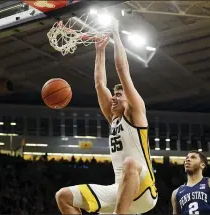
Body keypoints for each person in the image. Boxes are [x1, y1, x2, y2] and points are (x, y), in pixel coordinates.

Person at [55, 19, 158, 214]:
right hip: (119, 190)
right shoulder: (113, 120)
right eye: (114, 94)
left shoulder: (136, 113)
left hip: (144, 189)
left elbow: (122, 70)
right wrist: (99, 51)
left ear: (129, 99)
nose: (114, 97)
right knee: (63, 197)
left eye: (118, 95)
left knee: (130, 163)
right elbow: (99, 84)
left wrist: (116, 35)